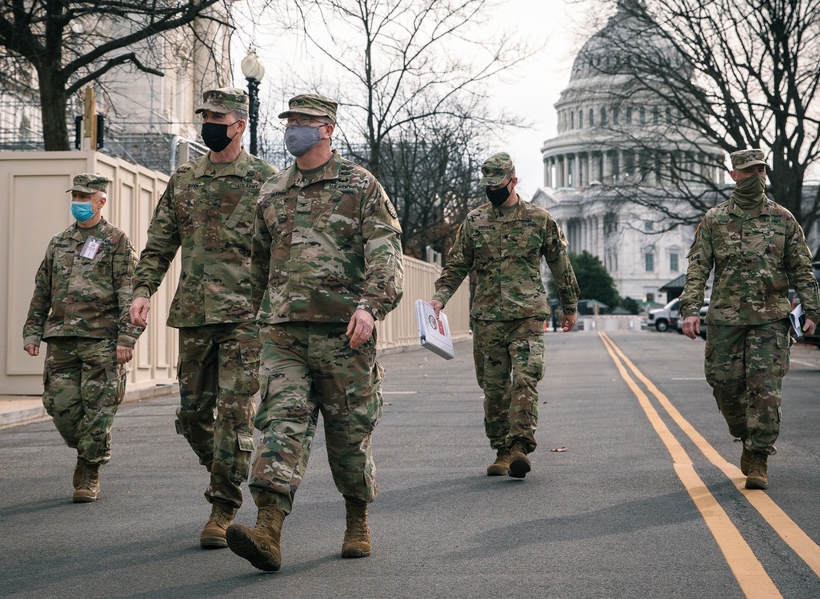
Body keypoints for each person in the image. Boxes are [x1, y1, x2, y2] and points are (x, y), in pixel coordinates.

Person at [225, 93, 404, 572]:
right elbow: (258, 263)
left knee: (348, 437)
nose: (292, 129)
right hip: (283, 334)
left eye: (303, 122)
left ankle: (357, 518)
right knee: (281, 423)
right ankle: (268, 529)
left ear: (327, 129)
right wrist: (255, 320)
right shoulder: (272, 192)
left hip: (346, 334)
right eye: (289, 121)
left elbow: (386, 253)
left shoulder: (360, 185)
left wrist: (370, 307)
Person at [129, 88, 277, 549]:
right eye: (204, 116)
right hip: (195, 312)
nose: (207, 123)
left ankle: (223, 504)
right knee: (193, 415)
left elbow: (286, 250)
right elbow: (158, 244)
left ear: (240, 124)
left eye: (217, 116)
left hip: (246, 317)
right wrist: (141, 291)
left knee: (235, 413)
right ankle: (228, 468)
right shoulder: (184, 180)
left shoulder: (267, 180)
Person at [681, 149, 820, 490]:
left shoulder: (783, 219)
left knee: (766, 390)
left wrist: (813, 309)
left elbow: (801, 268)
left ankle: (759, 456)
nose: (755, 176)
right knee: (724, 384)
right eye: (748, 171)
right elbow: (698, 267)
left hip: (770, 320)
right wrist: (690, 309)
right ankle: (744, 434)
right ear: (734, 175)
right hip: (725, 319)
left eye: (760, 169)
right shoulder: (714, 219)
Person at [430, 152, 580, 480]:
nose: (492, 191)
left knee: (526, 379)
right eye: (487, 186)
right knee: (494, 389)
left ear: (513, 181)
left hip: (526, 315)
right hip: (486, 317)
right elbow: (457, 264)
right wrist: (439, 298)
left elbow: (560, 263)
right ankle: (500, 449)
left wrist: (569, 306)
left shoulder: (539, 219)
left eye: (498, 185)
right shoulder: (474, 221)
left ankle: (520, 447)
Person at [23, 173, 142, 503]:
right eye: (74, 196)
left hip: (101, 341)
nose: (77, 202)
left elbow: (129, 293)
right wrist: (32, 331)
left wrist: (126, 339)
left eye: (84, 197)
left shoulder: (116, 241)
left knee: (99, 410)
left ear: (100, 201)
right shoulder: (59, 242)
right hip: (61, 339)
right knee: (59, 407)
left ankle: (89, 471)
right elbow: (41, 291)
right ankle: (89, 448)